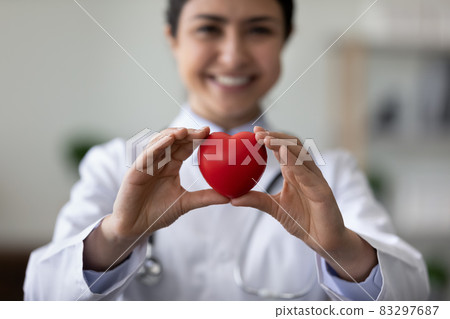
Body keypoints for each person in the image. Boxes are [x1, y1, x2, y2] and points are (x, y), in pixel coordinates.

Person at [24, 0, 429, 301]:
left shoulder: (330, 170)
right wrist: (114, 239)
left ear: (284, 40)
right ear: (173, 39)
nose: (233, 55)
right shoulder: (113, 164)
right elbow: (40, 298)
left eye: (258, 30)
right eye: (208, 29)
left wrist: (342, 249)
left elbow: (413, 301)